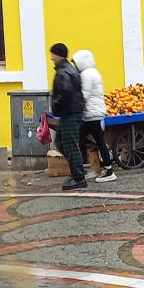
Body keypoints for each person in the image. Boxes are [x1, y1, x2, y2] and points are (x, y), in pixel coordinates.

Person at [72, 49, 116, 183]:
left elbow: (84, 95)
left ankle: (108, 170)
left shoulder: (86, 74)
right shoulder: (93, 72)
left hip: (92, 114)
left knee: (96, 141)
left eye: (76, 63)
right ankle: (89, 167)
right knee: (86, 138)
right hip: (93, 114)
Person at [50, 43, 88, 190]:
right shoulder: (68, 69)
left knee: (70, 144)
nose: (51, 57)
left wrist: (56, 105)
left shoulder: (63, 71)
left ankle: (79, 177)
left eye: (52, 54)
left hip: (69, 112)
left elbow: (65, 92)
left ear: (58, 55)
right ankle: (77, 169)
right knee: (60, 141)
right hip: (71, 111)